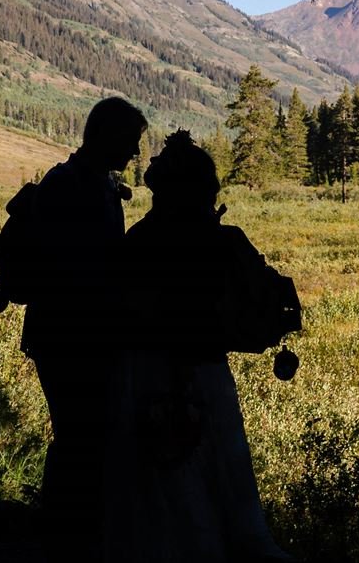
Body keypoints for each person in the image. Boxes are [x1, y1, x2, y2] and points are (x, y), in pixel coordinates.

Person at [106, 131, 292, 563]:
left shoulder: (138, 242)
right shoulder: (223, 242)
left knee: (161, 478)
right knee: (218, 469)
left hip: (143, 375)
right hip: (207, 374)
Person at [24, 95, 148, 555]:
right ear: (105, 136)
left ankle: (65, 530)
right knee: (80, 436)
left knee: (80, 436)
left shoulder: (88, 183)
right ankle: (63, 535)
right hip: (69, 337)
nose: (135, 152)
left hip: (71, 334)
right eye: (131, 141)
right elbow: (73, 269)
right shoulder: (73, 186)